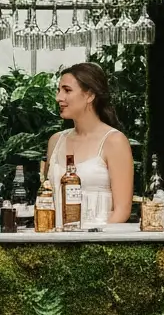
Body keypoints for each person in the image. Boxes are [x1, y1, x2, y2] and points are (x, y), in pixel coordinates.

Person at [46, 62, 135, 225]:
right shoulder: (55, 141)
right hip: (55, 242)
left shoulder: (114, 141)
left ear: (90, 95)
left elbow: (122, 210)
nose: (58, 98)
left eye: (67, 90)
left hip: (99, 243)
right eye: (58, 91)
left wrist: (95, 242)